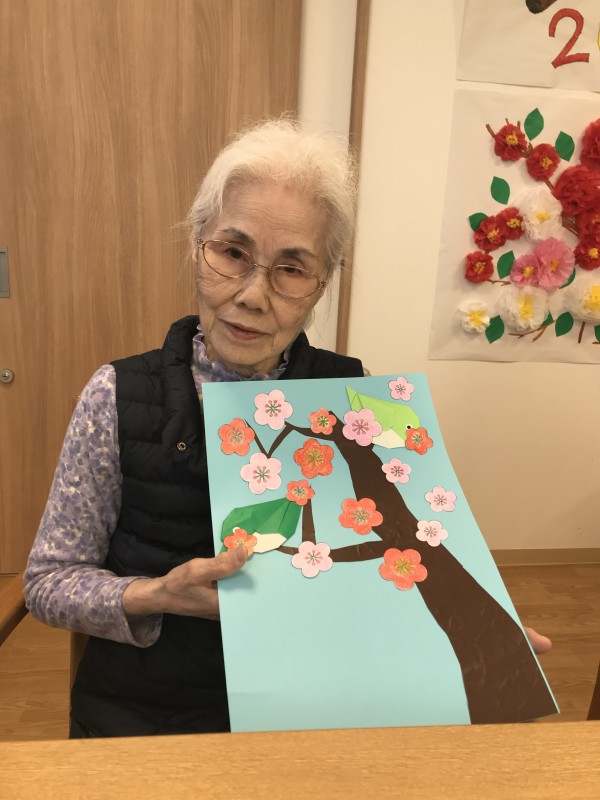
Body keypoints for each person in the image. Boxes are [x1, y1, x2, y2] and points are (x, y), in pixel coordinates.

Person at [24, 119, 551, 738]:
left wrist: (477, 625)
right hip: (145, 716)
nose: (252, 294)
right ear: (197, 246)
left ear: (322, 283)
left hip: (311, 713)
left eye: (292, 269)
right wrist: (155, 594)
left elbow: (406, 550)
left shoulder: (356, 398)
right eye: (232, 252)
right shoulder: (116, 395)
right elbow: (48, 583)